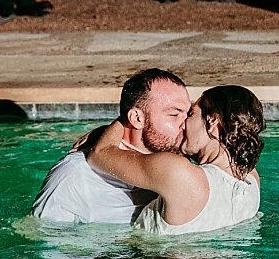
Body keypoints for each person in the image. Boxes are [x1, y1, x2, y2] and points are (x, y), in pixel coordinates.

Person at [81, 84, 264, 236]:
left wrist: (129, 120)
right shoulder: (251, 179)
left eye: (191, 114)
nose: (183, 122)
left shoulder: (179, 174)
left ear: (214, 123)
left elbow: (99, 154)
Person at [30, 68, 192, 225]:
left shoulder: (183, 160)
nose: (186, 125)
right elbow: (47, 244)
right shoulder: (75, 176)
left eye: (188, 114)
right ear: (137, 118)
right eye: (174, 115)